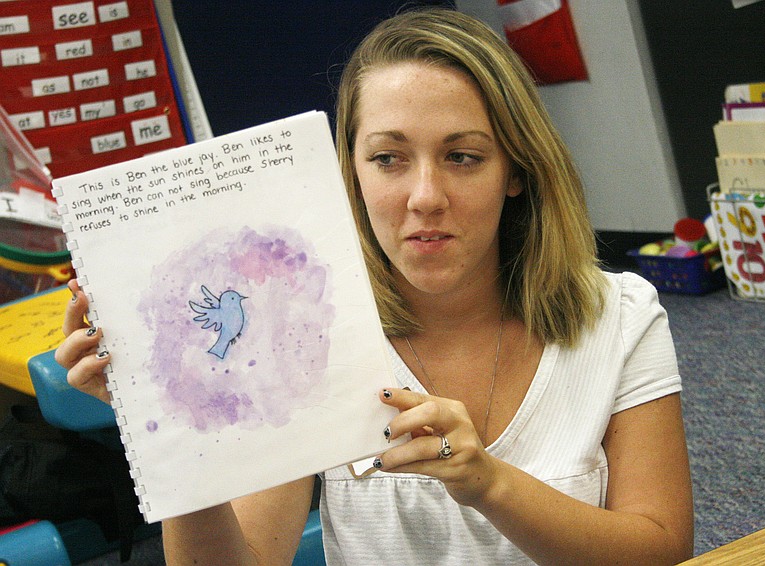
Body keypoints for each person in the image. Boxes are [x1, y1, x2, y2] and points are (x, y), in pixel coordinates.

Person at [55, 7, 693, 565]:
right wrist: (174, 431)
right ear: (351, 173)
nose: (425, 197)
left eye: (463, 156)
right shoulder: (295, 332)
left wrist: (491, 486)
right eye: (388, 159)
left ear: (516, 171)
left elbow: (661, 549)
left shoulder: (618, 317)